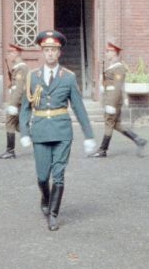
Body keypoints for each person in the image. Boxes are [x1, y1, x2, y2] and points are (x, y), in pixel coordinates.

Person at [18, 30, 97, 230]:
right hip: (41, 132)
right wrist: (25, 132)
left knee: (59, 174)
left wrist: (88, 135)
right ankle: (45, 197)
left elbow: (79, 108)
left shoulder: (68, 77)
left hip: (62, 132)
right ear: (42, 53)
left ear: (59, 53)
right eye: (47, 50)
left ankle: (53, 214)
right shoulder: (33, 77)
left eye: (54, 50)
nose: (50, 54)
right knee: (43, 176)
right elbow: (25, 108)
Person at [93, 40, 148, 157]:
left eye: (108, 51)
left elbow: (117, 87)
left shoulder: (119, 68)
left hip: (113, 101)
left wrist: (111, 105)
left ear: (114, 53)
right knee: (116, 124)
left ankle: (102, 150)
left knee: (109, 123)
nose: (106, 53)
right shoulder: (112, 67)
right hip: (111, 100)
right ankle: (139, 140)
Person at [0, 43, 27, 159]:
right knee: (18, 125)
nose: (9, 55)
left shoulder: (21, 68)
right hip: (17, 100)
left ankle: (10, 151)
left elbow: (19, 88)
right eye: (8, 52)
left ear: (17, 53)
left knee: (10, 122)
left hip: (17, 101)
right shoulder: (18, 68)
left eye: (11, 53)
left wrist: (13, 105)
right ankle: (41, 140)